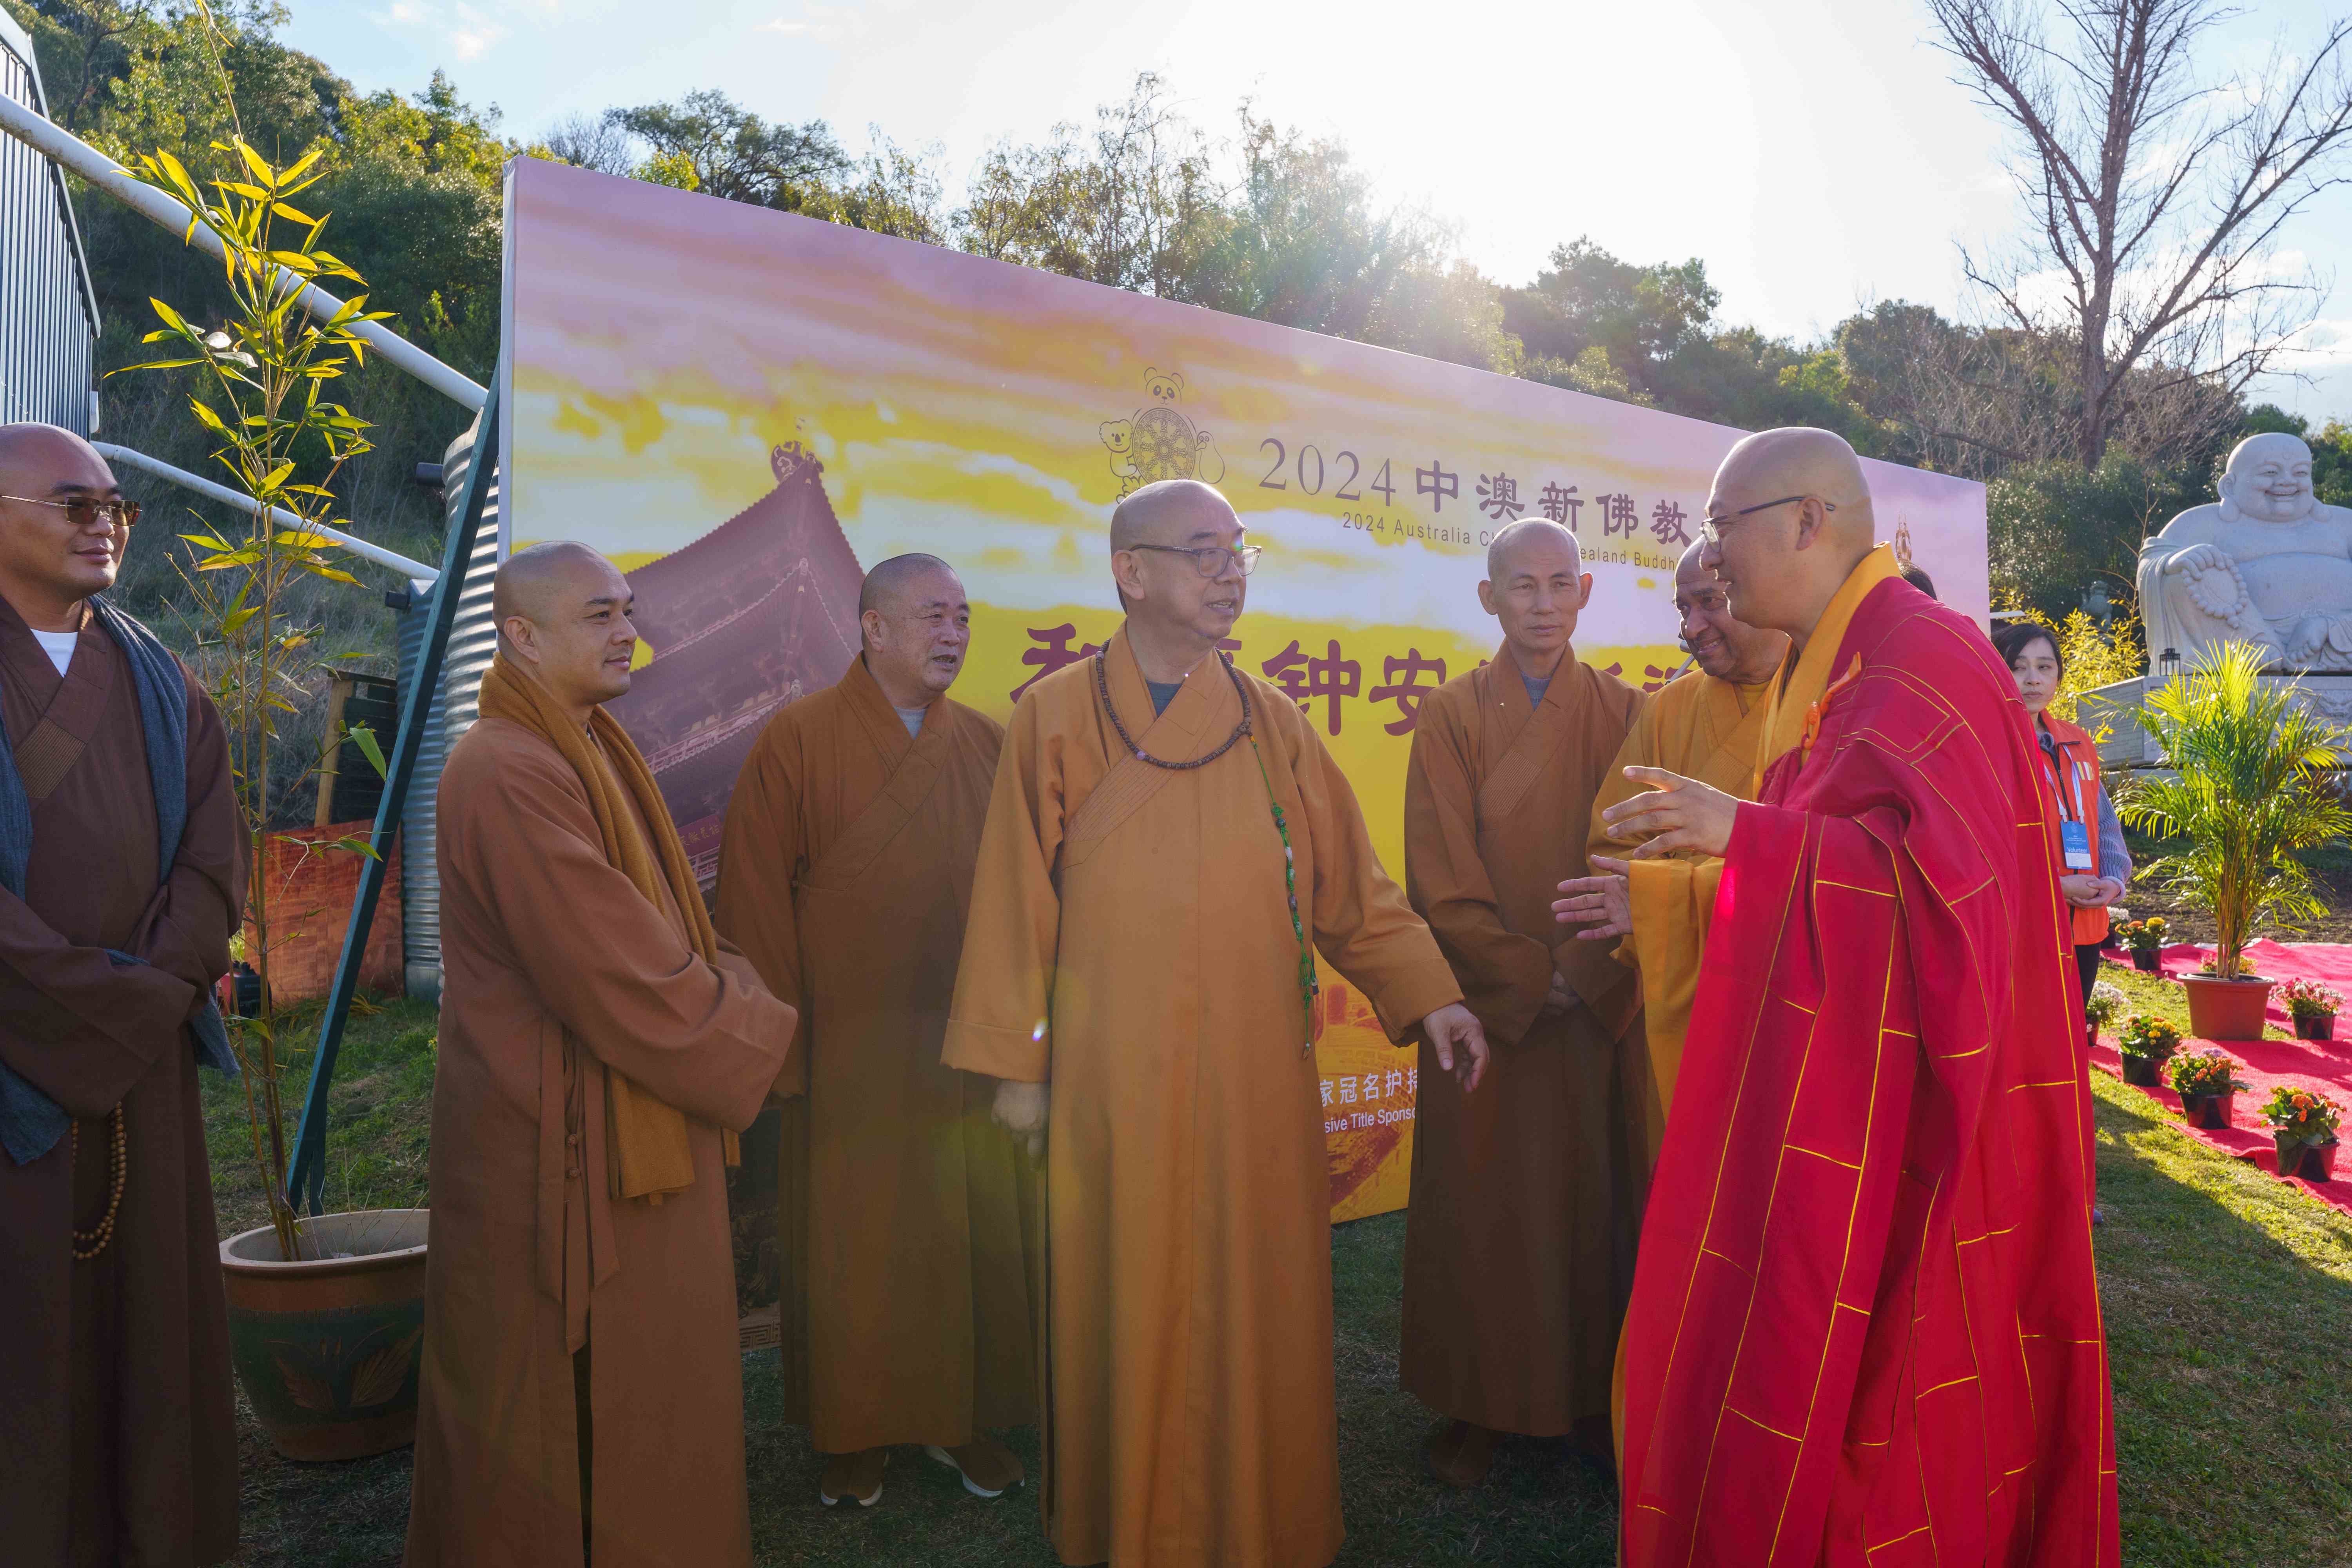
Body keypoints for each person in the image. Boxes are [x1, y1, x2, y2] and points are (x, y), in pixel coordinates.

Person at [1556, 429, 2117, 1567]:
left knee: (1898, 1399)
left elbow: (1946, 911)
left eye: (1722, 527)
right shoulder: (1847, 665)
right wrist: (1680, 893)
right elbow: (1844, 866)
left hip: (1922, 1118)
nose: (1713, 555)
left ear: (1808, 521)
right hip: (1846, 1089)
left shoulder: (1922, 661)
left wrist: (1742, 834)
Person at [943, 478, 1488, 1568]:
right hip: (1113, 1076)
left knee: (1257, 1297)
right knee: (1123, 1293)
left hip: (1254, 1076)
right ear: (1131, 572)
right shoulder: (1055, 714)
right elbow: (1014, 901)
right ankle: (1127, 1526)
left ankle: (1261, 1525)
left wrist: (1432, 991)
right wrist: (1018, 1069)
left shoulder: (1269, 718)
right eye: (1204, 552)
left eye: (1238, 550)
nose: (1230, 571)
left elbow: (1352, 887)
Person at [406, 541, 798, 1568]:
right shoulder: (505, 768)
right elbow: (618, 974)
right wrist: (758, 1025)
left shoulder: (588, 743)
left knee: (642, 1391)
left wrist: (732, 989)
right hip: (554, 1139)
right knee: (549, 1411)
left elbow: (668, 933)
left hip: (626, 1113)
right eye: (600, 615)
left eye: (628, 609)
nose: (630, 632)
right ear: (521, 636)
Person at [715, 553, 1036, 1510]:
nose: (954, 634)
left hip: (963, 1038)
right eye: (933, 615)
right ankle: (853, 1428)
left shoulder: (987, 742)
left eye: (963, 617)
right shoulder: (797, 738)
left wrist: (1019, 1036)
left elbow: (1027, 896)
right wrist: (783, 1046)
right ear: (874, 628)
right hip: (847, 1041)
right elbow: (754, 898)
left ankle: (963, 1415)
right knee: (852, 1238)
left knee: (964, 1226)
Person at [0, 424, 246, 1568]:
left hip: (143, 1062)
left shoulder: (160, 675)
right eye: (73, 503)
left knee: (152, 1321)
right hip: (18, 1066)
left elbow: (214, 859)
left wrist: (143, 996)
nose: (103, 523)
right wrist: (95, 1008)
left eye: (115, 505)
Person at [1397, 518, 1644, 1485]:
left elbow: (1643, 856)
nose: (1543, 603)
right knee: (1483, 1203)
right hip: (1489, 1013)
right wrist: (1529, 976)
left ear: (1585, 592)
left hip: (1596, 1002)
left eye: (1559, 583)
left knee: (1595, 1200)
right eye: (1523, 585)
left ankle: (1592, 1397)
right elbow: (1438, 873)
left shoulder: (1628, 710)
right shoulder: (1449, 713)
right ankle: (1479, 1403)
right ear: (1488, 597)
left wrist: (1586, 969)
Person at [1587, 539, 1788, 1174]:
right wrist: (1655, 902)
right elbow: (1613, 844)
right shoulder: (1669, 709)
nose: (1692, 628)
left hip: (1792, 1004)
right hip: (1685, 1003)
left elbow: (1837, 865)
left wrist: (1670, 895)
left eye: (1709, 603)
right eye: (1682, 609)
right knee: (1689, 1181)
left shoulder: (1828, 701)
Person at [1990, 621, 2131, 1005]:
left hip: (2085, 926)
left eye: (2045, 667)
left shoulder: (2076, 741)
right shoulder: (1989, 744)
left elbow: (2104, 823)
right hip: (2024, 927)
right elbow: (1984, 847)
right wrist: (2052, 886)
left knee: (2073, 1034)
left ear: (2058, 676)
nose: (2032, 679)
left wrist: (2113, 880)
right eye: (2017, 667)